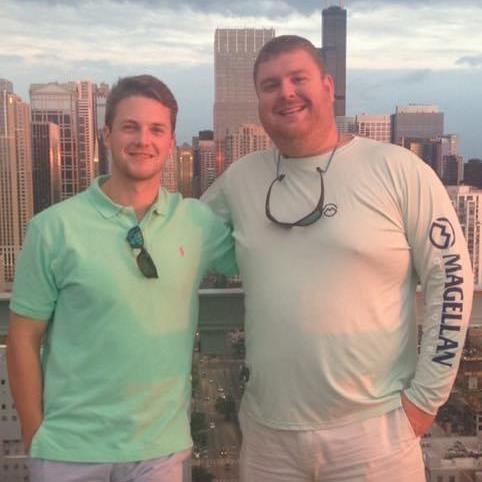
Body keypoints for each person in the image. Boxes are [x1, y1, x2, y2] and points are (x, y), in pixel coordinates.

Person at [202, 35, 473, 481]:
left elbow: (453, 281)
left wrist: (425, 402)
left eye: (298, 79)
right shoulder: (241, 179)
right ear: (259, 101)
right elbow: (175, 238)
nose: (286, 93)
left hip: (375, 436)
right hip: (268, 439)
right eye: (270, 85)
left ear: (328, 87)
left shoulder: (399, 170)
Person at [7, 75, 236, 482]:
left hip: (159, 453)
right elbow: (23, 337)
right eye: (130, 127)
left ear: (170, 142)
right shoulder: (53, 228)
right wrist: (33, 432)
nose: (143, 140)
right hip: (69, 452)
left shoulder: (196, 223)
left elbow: (263, 256)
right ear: (107, 134)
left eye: (156, 130)